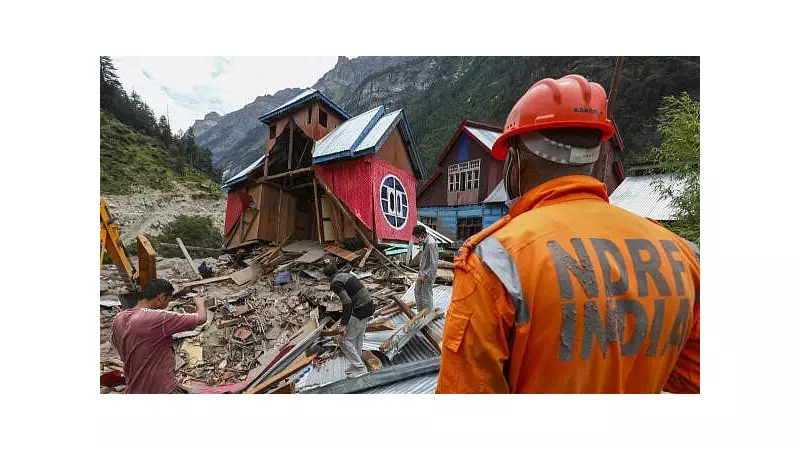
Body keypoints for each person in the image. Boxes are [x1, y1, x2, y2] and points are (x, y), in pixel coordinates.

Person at [436, 74, 700, 394]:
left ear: (517, 160)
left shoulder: (496, 259)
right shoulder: (683, 255)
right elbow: (691, 380)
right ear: (594, 159)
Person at [111, 279, 207, 394]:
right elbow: (201, 318)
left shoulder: (118, 319)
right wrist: (200, 303)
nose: (166, 306)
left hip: (134, 389)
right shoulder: (158, 318)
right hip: (160, 389)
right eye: (168, 300)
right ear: (161, 297)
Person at [324, 262, 375, 378]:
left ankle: (360, 367)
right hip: (368, 305)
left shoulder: (336, 283)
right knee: (357, 338)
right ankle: (358, 364)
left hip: (361, 309)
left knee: (343, 340)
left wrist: (343, 324)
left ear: (326, 276)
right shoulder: (344, 275)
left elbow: (347, 303)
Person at [412, 224, 438, 317]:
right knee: (417, 290)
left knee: (427, 294)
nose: (418, 239)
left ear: (423, 233)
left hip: (428, 274)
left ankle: (428, 314)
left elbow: (434, 262)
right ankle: (420, 312)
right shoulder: (425, 243)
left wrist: (428, 274)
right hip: (422, 272)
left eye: (418, 236)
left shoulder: (431, 243)